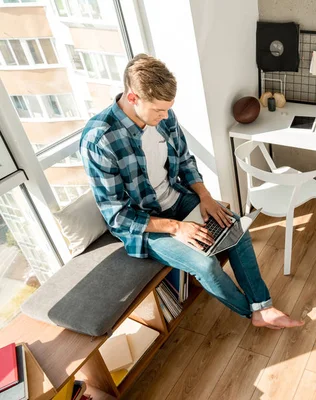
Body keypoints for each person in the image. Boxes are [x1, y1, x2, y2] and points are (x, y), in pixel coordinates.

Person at [80, 54, 303, 329]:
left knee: (235, 228)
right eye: (158, 111)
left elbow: (185, 160)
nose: (165, 117)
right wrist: (176, 228)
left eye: (167, 110)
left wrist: (205, 196)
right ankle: (250, 314)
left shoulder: (164, 116)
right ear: (133, 97)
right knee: (206, 266)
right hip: (145, 225)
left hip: (175, 197)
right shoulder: (99, 140)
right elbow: (117, 216)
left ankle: (263, 306)